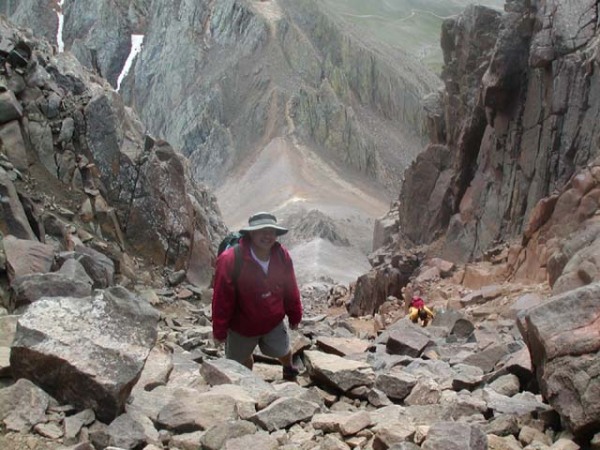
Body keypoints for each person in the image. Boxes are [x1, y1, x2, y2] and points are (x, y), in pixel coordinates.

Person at [211, 212, 303, 380]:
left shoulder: (281, 255)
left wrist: (295, 315)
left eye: (272, 231)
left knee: (283, 350)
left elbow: (290, 287)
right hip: (241, 326)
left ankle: (288, 368)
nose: (268, 236)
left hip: (272, 321)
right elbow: (222, 298)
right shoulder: (230, 259)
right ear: (251, 233)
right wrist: (220, 331)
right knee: (239, 361)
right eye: (262, 231)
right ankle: (249, 384)